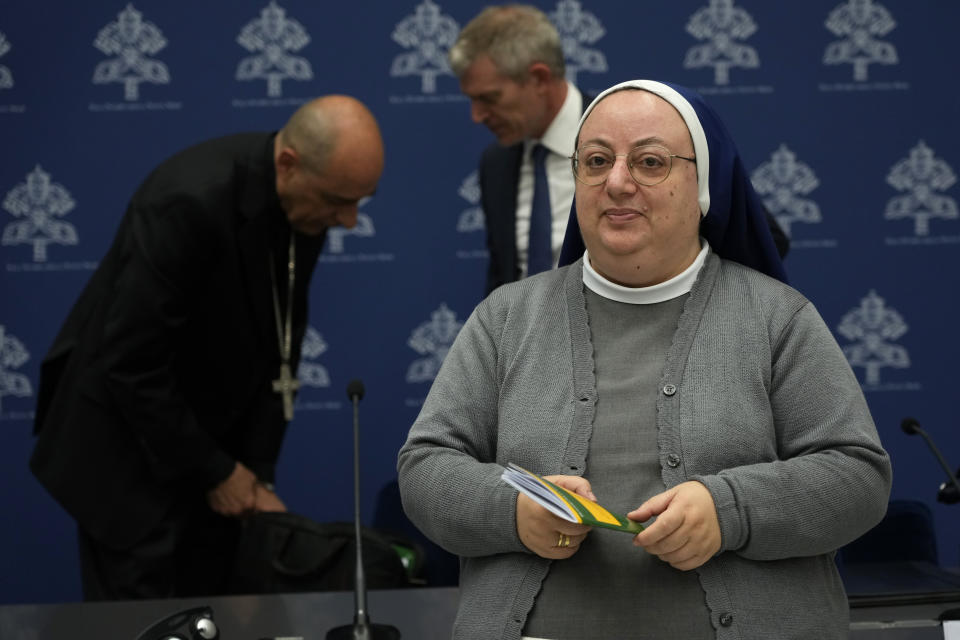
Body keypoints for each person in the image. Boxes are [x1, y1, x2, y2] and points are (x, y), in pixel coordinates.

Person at [397, 80, 890, 639]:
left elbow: (858, 476)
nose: (616, 182)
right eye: (597, 161)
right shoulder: (506, 318)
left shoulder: (777, 318)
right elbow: (425, 467)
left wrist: (729, 509)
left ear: (702, 185)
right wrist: (513, 512)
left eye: (650, 162)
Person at [30, 95, 384, 600]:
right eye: (338, 201)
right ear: (289, 164)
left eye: (359, 201)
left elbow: (278, 345)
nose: (349, 221)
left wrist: (256, 476)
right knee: (144, 624)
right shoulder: (187, 201)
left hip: (207, 450)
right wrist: (219, 472)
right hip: (127, 457)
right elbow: (131, 363)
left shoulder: (305, 208)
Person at [450, 4, 788, 297]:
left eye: (489, 98)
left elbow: (755, 236)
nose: (476, 116)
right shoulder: (495, 163)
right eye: (596, 162)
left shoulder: (642, 130)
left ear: (538, 79)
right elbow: (504, 274)